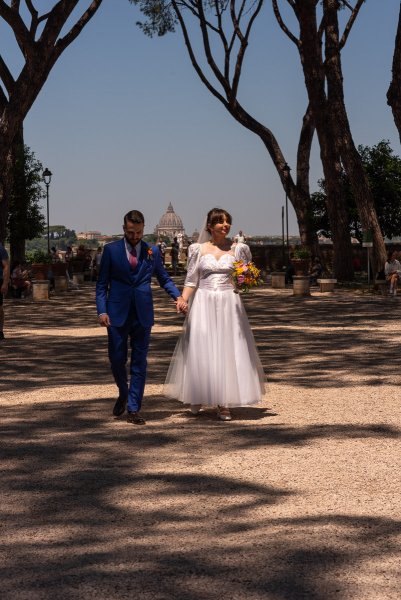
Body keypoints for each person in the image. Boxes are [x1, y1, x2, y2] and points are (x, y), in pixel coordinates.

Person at [164, 207, 265, 421]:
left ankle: (223, 401)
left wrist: (245, 280)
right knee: (201, 347)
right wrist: (182, 299)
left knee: (228, 348)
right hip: (203, 301)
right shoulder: (197, 249)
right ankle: (198, 393)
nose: (225, 225)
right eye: (220, 222)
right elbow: (192, 280)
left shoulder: (239, 249)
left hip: (229, 301)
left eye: (228, 221)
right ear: (210, 226)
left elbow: (246, 278)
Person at [96, 210, 186, 425]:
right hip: (116, 313)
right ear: (124, 229)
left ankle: (134, 408)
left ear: (144, 229)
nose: (135, 236)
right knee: (117, 359)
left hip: (143, 313)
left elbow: (164, 279)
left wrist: (179, 297)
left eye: (138, 232)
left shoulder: (152, 251)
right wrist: (102, 310)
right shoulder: (111, 250)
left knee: (139, 362)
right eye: (131, 232)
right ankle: (123, 392)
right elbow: (101, 285)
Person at [0, 241, 10, 340]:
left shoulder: (1, 249)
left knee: (0, 308)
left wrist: (5, 283)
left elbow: (6, 266)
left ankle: (0, 330)